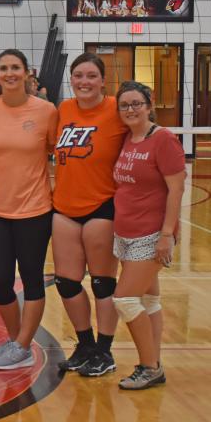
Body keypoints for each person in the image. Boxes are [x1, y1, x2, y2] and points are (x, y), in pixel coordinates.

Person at [0, 49, 59, 370]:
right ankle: (17, 343)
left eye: (15, 67)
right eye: (3, 68)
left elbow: (60, 154)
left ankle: (22, 344)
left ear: (26, 73)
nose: (9, 73)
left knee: (32, 280)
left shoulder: (46, 111)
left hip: (35, 211)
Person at [53, 53, 127, 377]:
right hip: (64, 207)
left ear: (102, 80)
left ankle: (104, 351)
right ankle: (84, 346)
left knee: (101, 283)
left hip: (102, 205)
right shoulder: (64, 110)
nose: (84, 81)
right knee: (66, 283)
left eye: (91, 76)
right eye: (79, 75)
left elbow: (144, 137)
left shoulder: (116, 109)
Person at [112, 81, 185, 390]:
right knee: (149, 300)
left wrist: (166, 235)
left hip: (151, 234)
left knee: (125, 300)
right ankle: (154, 362)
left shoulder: (164, 139)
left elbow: (177, 189)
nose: (130, 109)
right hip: (125, 231)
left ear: (149, 104)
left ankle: (148, 366)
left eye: (136, 103)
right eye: (124, 105)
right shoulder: (129, 138)